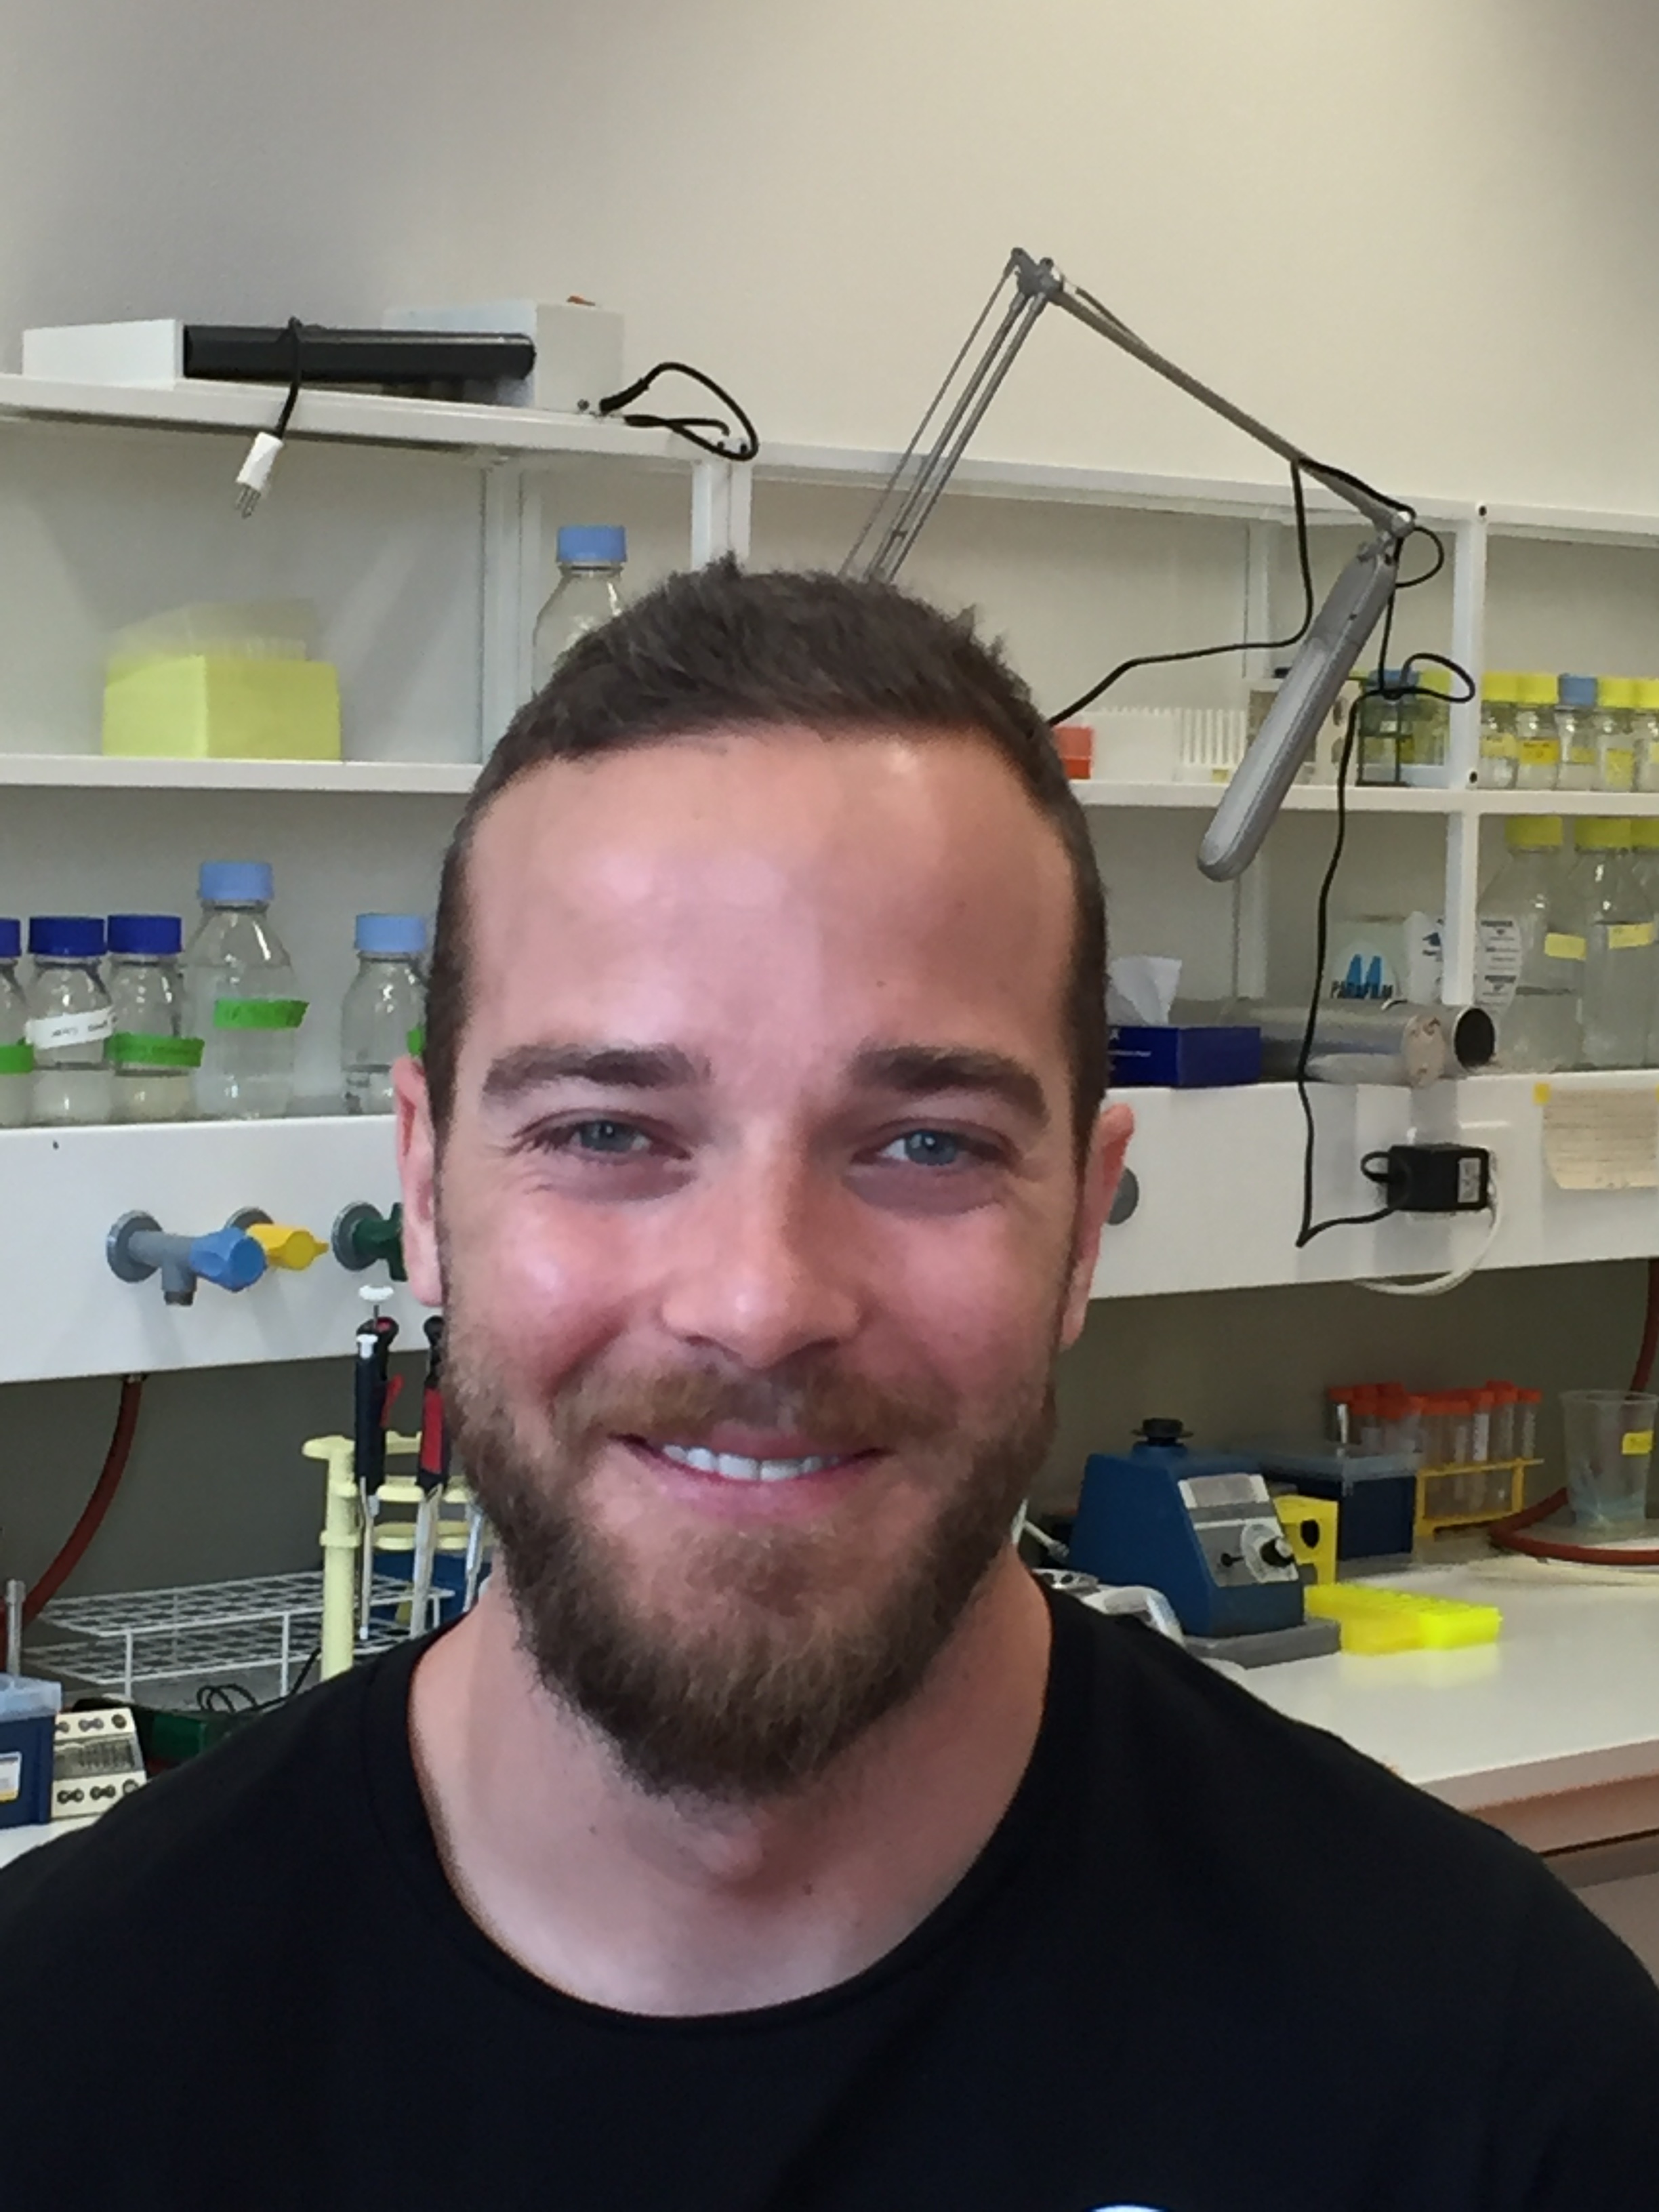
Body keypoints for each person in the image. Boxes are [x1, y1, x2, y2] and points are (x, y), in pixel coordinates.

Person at [2, 563, 1656, 2212]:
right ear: (426, 1190)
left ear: (1086, 1222)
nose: (760, 1301)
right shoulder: (60, 2060)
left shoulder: (1498, 2087)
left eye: (926, 1145)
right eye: (607, 1131)